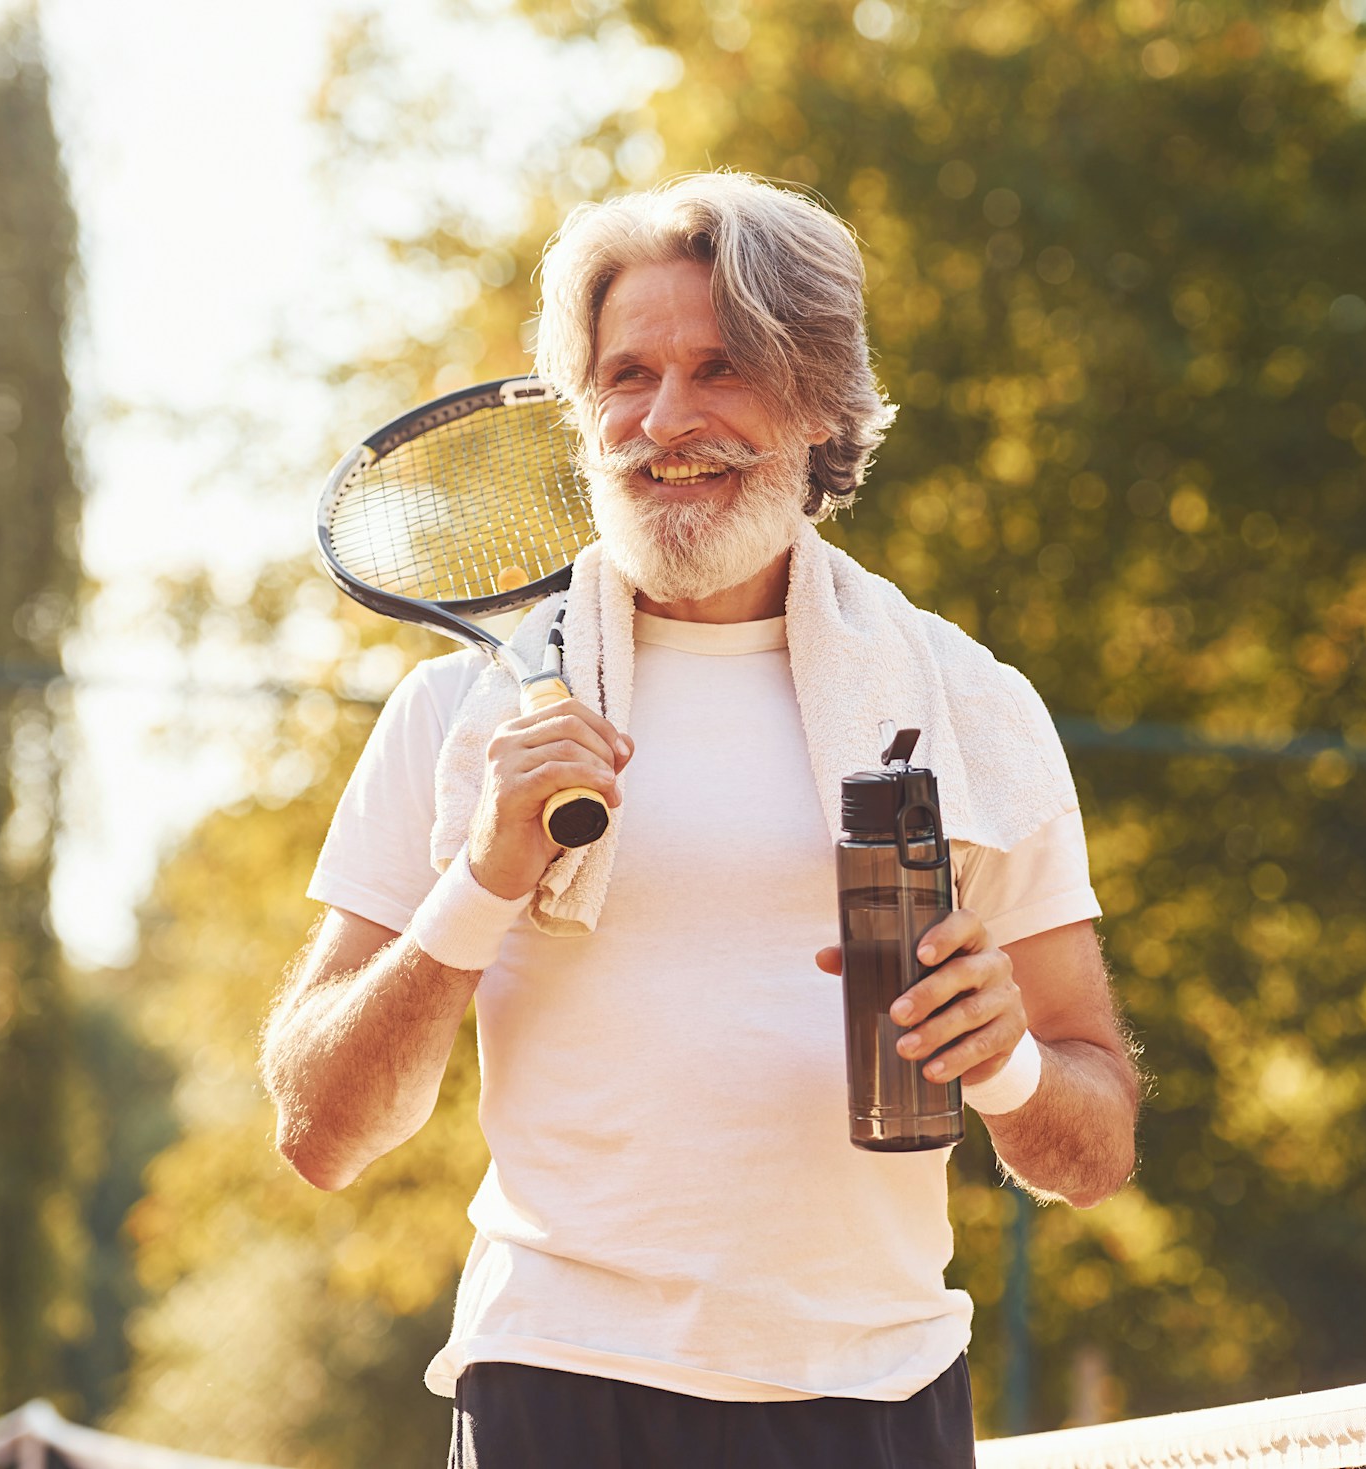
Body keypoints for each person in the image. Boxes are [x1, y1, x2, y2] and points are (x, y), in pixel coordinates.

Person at [260, 172, 1140, 1468]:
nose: (666, 421)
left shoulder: (967, 707)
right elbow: (319, 1129)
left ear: (820, 401)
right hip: (554, 1388)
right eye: (627, 376)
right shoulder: (461, 712)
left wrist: (1005, 1059)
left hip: (880, 1400)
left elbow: (1095, 1144)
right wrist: (482, 875)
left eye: (722, 368)